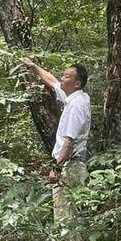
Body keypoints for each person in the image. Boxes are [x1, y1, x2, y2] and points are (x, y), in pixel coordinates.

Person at [20, 58, 92, 225]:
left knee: (65, 218)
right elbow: (52, 81)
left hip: (70, 166)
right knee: (70, 216)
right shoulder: (73, 97)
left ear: (77, 84)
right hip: (69, 164)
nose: (62, 79)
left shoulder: (77, 106)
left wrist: (57, 169)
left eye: (67, 77)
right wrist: (34, 67)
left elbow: (69, 142)